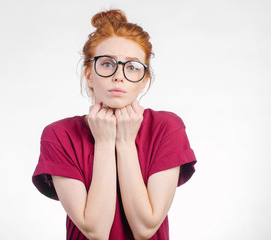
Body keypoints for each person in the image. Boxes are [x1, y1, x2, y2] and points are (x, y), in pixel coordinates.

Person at [32, 9, 197, 240]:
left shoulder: (167, 127)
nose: (119, 75)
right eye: (107, 64)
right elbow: (95, 231)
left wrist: (125, 142)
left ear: (144, 80)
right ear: (89, 74)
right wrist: (105, 141)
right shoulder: (59, 135)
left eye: (132, 67)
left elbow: (145, 228)